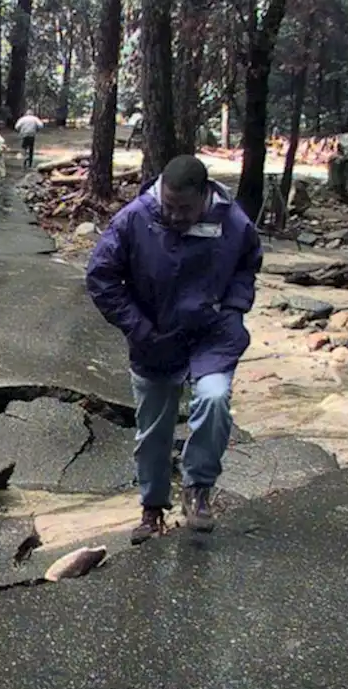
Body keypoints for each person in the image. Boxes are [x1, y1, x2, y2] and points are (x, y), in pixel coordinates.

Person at [85, 155, 262, 545]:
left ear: (205, 195)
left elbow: (248, 264)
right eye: (168, 206)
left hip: (212, 334)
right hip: (155, 336)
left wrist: (233, 309)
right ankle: (152, 508)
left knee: (214, 400)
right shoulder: (136, 218)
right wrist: (138, 327)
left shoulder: (232, 222)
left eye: (184, 209)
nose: (175, 216)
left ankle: (198, 488)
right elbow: (100, 276)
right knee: (153, 431)